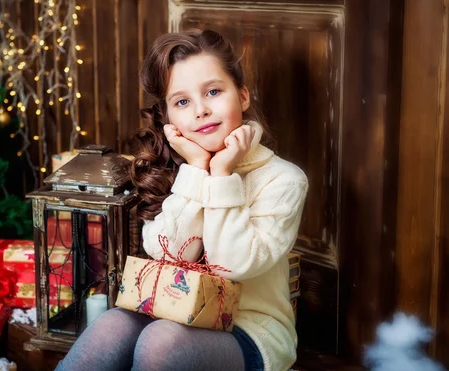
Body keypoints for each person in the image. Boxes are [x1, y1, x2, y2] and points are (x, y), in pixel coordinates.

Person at [56, 29, 308, 371]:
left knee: (162, 341)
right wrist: (197, 170)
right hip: (173, 310)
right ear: (169, 119)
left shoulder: (283, 179)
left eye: (214, 92)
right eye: (182, 102)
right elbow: (169, 255)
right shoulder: (179, 168)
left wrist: (222, 176)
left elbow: (231, 265)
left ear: (243, 96)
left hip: (247, 331)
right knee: (111, 325)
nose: (201, 111)